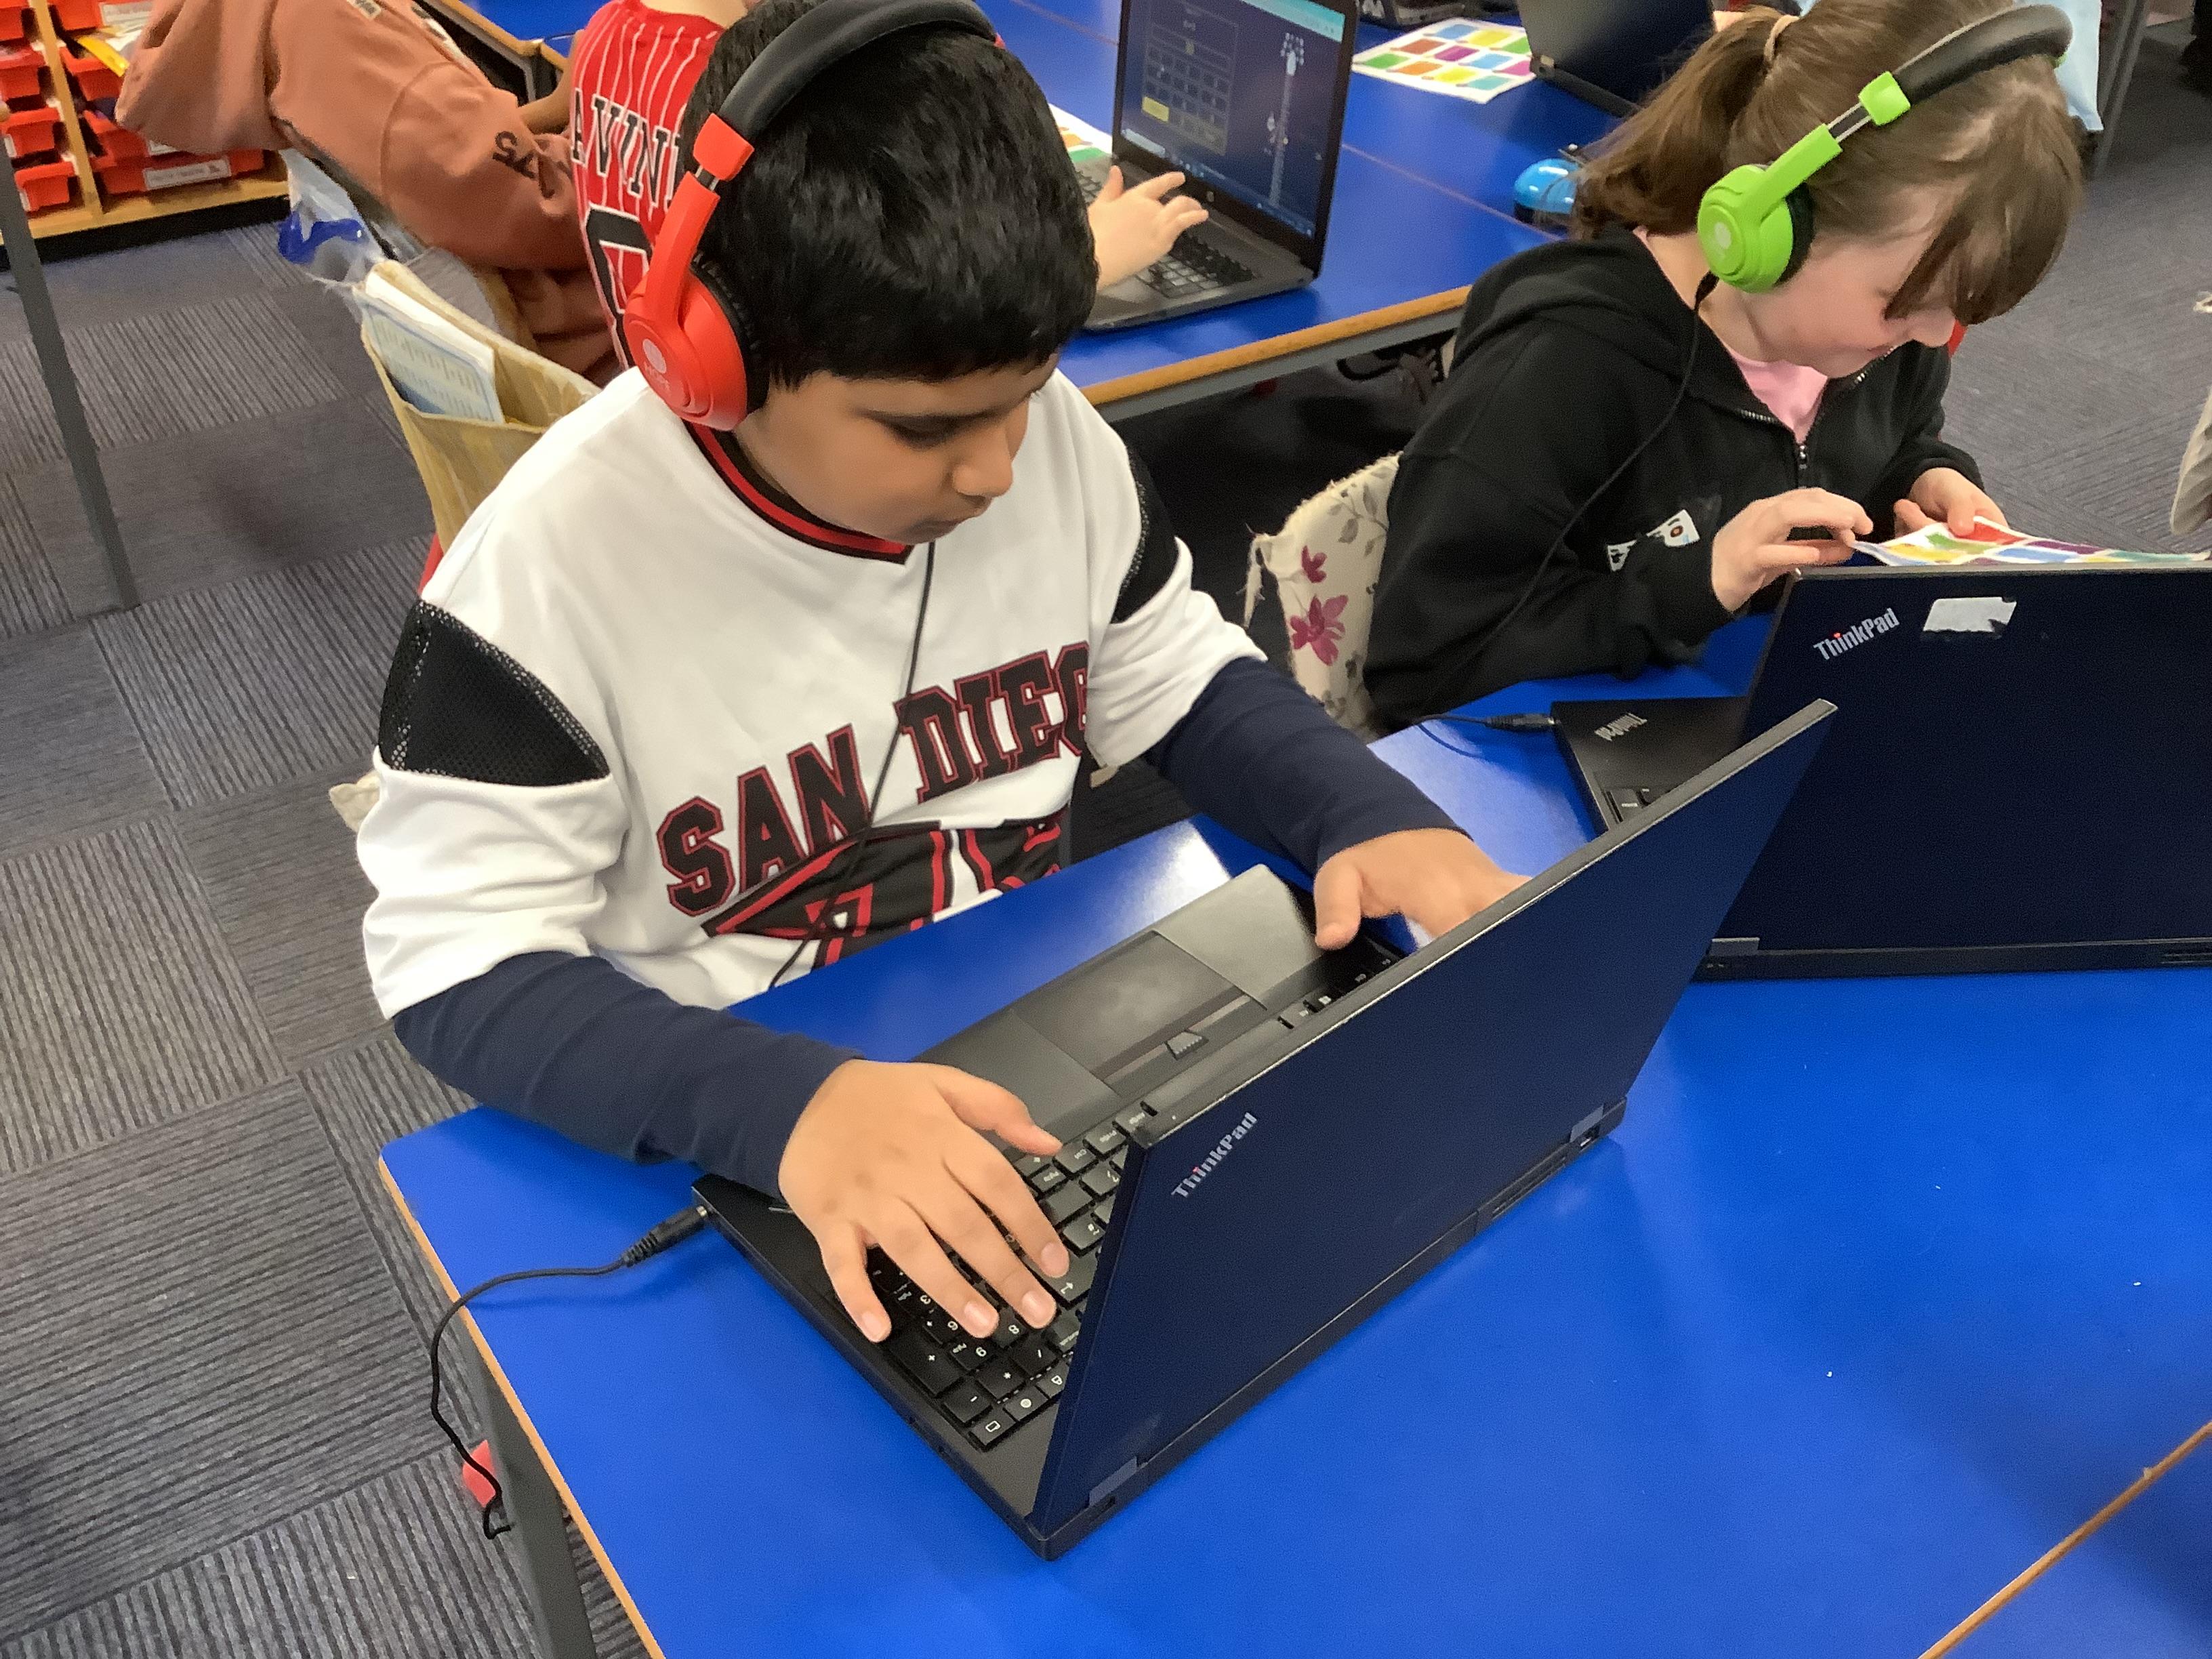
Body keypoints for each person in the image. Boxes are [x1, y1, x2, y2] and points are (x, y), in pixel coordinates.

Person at [359, 0, 1521, 1348]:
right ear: (716, 359)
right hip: (738, 1112)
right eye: (925, 430)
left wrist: (1359, 813)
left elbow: (1170, 671)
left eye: (1026, 395)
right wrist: (784, 1110)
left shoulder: (1051, 445)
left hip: (1024, 1035)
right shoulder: (542, 576)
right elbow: (454, 962)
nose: (998, 470)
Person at [1363, 0, 2081, 727]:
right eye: (1907, 300)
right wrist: (1695, 584)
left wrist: (1926, 476)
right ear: (1770, 232)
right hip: (1566, 751)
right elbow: (1424, 666)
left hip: (1775, 708)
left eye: (1961, 307)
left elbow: (1892, 441)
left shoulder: (1886, 346)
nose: (1936, 335)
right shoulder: (1561, 366)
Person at [564, 0, 1208, 354]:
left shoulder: (605, 35)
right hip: (797, 464)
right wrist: (1082, 260)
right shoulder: (785, 113)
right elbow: (898, 317)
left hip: (662, 402)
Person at [119, 0, 618, 383]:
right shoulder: (347, 32)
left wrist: (551, 112)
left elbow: (433, 147)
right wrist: (589, 111)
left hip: (473, 302)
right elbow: (546, 212)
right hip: (573, 332)